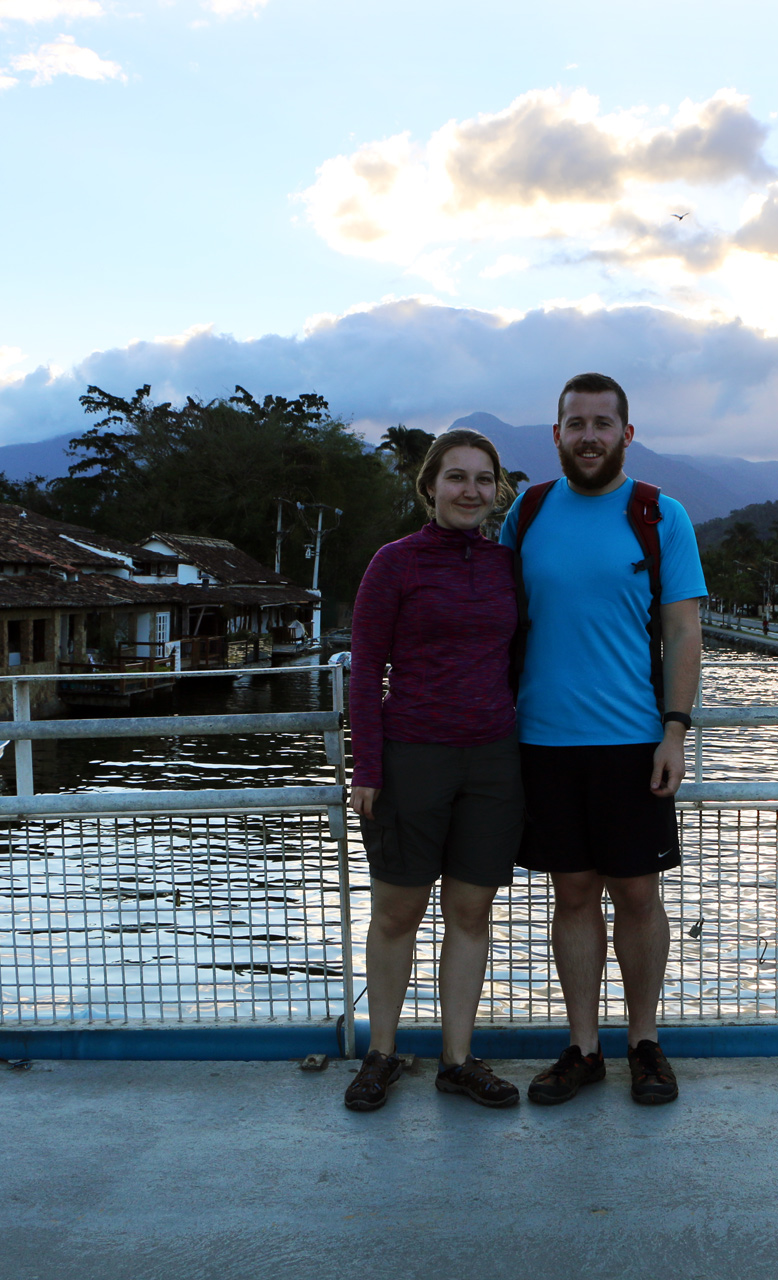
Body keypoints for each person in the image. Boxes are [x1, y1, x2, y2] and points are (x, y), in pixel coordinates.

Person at [500, 371, 706, 1107]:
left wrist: (675, 730)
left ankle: (644, 1042)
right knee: (573, 894)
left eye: (602, 423)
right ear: (556, 435)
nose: (589, 435)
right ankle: (582, 1048)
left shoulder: (660, 515)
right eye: (576, 423)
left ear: (627, 432)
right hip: (543, 743)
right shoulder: (526, 514)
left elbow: (684, 631)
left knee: (639, 894)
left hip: (632, 741)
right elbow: (497, 623)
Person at [343, 429, 523, 1112]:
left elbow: (520, 660)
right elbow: (366, 670)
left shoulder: (509, 566)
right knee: (397, 912)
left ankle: (457, 1059)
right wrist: (368, 765)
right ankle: (381, 1053)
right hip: (411, 756)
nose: (471, 490)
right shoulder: (395, 564)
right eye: (456, 477)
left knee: (471, 911)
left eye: (483, 479)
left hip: (493, 760)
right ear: (429, 487)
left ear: (496, 490)